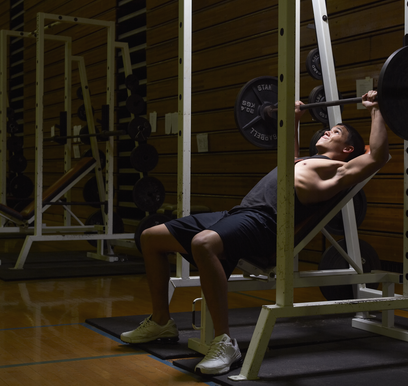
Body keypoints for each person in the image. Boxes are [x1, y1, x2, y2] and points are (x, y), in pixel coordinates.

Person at [120, 90, 390, 375]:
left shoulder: (340, 171)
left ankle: (225, 342)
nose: (325, 131)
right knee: (150, 237)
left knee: (203, 243)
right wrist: (295, 121)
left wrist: (377, 108)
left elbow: (378, 157)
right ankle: (162, 320)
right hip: (240, 213)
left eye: (335, 132)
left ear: (348, 150)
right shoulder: (306, 162)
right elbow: (291, 157)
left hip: (265, 224)